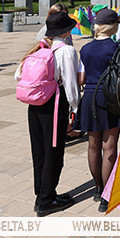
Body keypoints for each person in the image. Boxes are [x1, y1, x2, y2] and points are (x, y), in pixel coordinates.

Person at [16, 12, 80, 217]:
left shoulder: (42, 48)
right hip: (54, 103)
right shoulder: (67, 51)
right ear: (67, 31)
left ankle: (44, 193)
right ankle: (46, 201)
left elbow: (18, 74)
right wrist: (75, 107)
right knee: (54, 151)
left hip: (35, 105)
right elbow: (70, 84)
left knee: (40, 151)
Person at [76, 9, 120, 212]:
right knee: (109, 146)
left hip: (90, 97)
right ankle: (106, 196)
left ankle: (97, 188)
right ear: (113, 26)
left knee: (93, 145)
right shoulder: (117, 48)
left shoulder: (84, 49)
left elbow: (81, 79)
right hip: (110, 98)